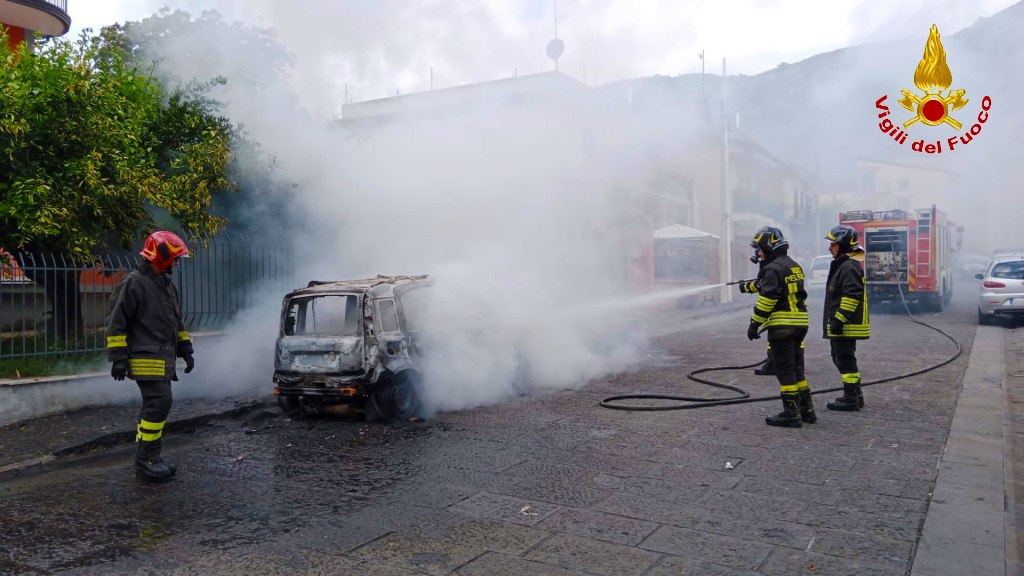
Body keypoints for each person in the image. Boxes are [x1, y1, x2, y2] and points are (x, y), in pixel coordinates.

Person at [106, 231, 195, 482]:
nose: (176, 264)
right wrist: (118, 357)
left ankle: (151, 458)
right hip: (145, 358)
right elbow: (116, 323)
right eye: (175, 259)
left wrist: (186, 349)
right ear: (162, 256)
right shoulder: (133, 283)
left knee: (154, 406)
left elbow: (176, 322)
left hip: (161, 357)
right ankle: (145, 461)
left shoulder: (166, 286)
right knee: (159, 403)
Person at [745, 226, 814, 427]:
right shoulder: (793, 265)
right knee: (796, 368)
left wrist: (754, 324)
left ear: (768, 246)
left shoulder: (773, 268)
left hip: (782, 326)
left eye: (759, 249)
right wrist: (758, 270)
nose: (758, 253)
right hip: (799, 323)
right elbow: (769, 285)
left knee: (784, 370)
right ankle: (807, 410)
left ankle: (791, 413)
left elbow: (767, 298)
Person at [822, 225, 870, 411]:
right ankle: (855, 395)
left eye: (833, 244)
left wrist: (839, 319)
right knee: (840, 357)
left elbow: (852, 295)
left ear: (842, 245)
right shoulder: (845, 265)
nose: (830, 248)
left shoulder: (848, 267)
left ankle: (851, 398)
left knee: (844, 359)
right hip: (844, 323)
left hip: (846, 324)